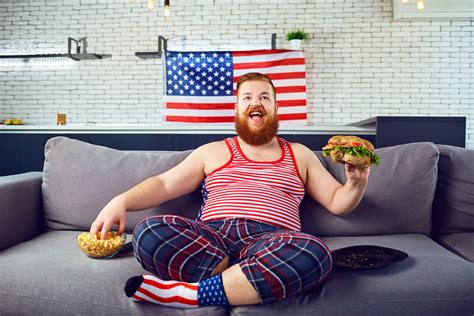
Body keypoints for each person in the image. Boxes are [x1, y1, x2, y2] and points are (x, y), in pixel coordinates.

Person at [90, 72, 370, 308]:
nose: (255, 103)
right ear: (237, 108)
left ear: (275, 108)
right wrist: (121, 200)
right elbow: (164, 184)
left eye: (264, 97)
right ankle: (239, 282)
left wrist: (356, 182)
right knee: (148, 232)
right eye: (247, 98)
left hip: (271, 241)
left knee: (315, 253)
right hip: (210, 239)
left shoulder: (300, 154)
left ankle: (186, 294)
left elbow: (337, 201)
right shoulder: (213, 151)